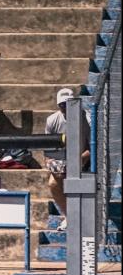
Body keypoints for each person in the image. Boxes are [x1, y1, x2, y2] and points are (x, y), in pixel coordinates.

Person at [44, 88, 91, 231]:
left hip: (83, 158)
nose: (64, 108)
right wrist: (49, 162)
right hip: (61, 160)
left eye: (67, 104)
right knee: (53, 182)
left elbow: (93, 147)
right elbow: (48, 148)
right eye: (61, 105)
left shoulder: (87, 118)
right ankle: (69, 216)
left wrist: (79, 159)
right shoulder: (52, 120)